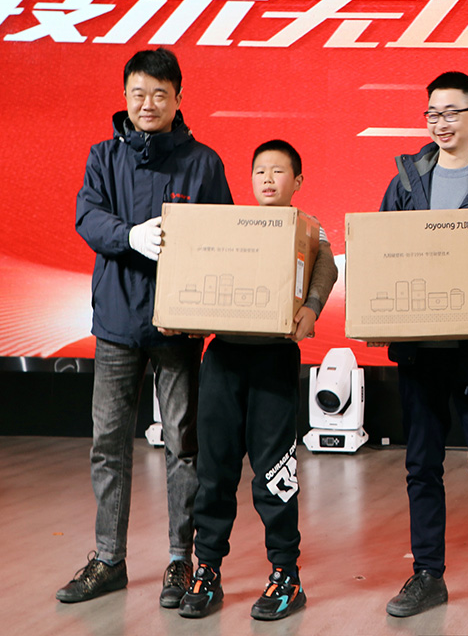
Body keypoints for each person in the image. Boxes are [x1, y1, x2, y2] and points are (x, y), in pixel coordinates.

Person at [60, 48, 233, 607]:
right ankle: (109, 558)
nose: (148, 103)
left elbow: (225, 238)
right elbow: (88, 216)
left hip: (178, 328)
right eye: (138, 93)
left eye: (160, 93)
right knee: (108, 443)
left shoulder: (203, 163)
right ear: (125, 97)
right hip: (116, 321)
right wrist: (129, 235)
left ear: (178, 98)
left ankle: (180, 561)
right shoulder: (103, 156)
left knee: (183, 446)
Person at [379, 72, 468, 627]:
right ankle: (428, 574)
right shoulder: (405, 181)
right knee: (422, 464)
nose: (441, 123)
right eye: (432, 114)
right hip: (420, 348)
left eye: (452, 113)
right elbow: (384, 252)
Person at [177, 139, 338, 620]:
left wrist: (312, 308)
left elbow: (326, 266)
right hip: (223, 358)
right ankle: (206, 570)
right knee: (214, 471)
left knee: (275, 473)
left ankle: (286, 574)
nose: (267, 179)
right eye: (259, 171)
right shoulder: (233, 226)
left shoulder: (307, 227)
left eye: (278, 171)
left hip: (274, 360)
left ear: (298, 181)